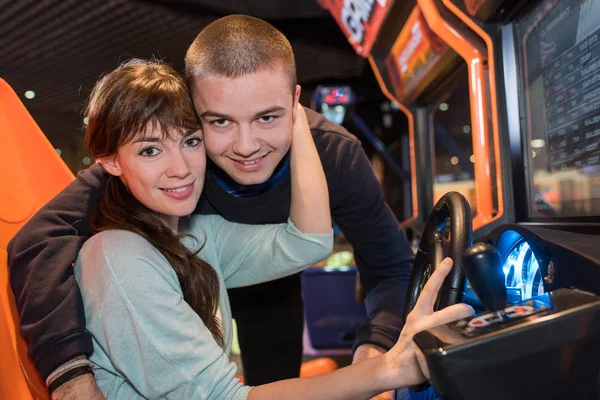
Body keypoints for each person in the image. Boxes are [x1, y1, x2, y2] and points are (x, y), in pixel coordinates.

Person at [8, 15, 415, 399]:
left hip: (257, 280)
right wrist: (70, 376)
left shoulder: (206, 229)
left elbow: (342, 252)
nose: (246, 145)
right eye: (219, 122)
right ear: (194, 107)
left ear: (294, 104)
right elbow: (41, 238)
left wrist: (376, 351)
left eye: (268, 117)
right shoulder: (124, 239)